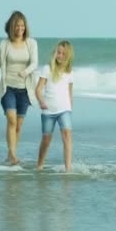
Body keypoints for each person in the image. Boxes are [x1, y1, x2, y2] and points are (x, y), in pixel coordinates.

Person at [0, 11, 38, 165]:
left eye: (22, 26)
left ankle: (11, 154)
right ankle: (12, 156)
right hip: (8, 88)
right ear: (11, 27)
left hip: (25, 89)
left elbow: (34, 63)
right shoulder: (4, 44)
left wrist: (25, 72)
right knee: (11, 120)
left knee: (18, 126)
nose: (20, 29)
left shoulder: (31, 43)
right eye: (17, 26)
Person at [35, 40, 74, 172]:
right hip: (48, 110)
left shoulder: (69, 71)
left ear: (68, 56)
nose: (60, 56)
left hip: (64, 109)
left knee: (67, 136)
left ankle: (68, 169)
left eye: (64, 54)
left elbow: (70, 91)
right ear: (55, 53)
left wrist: (70, 107)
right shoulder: (47, 69)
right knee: (46, 139)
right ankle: (40, 165)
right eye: (59, 52)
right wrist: (41, 102)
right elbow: (38, 89)